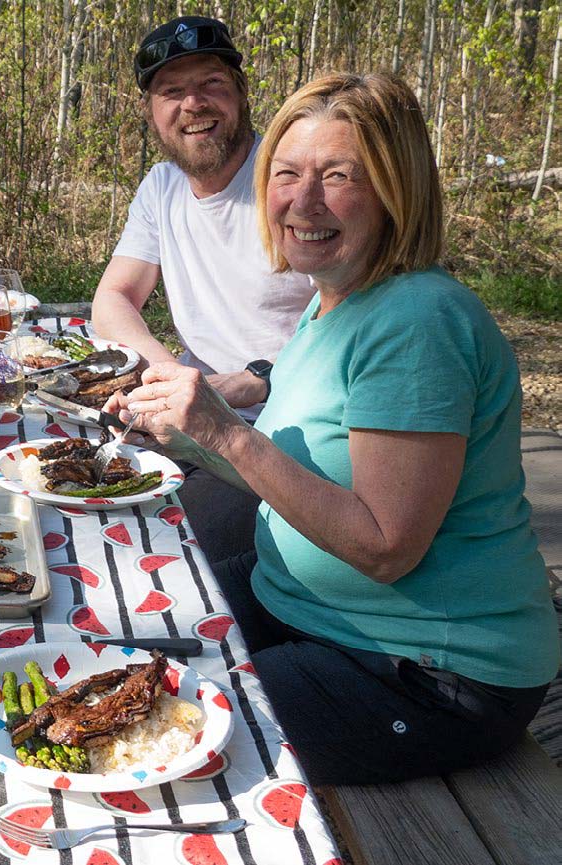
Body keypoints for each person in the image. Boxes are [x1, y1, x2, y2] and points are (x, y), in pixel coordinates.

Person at [111, 73, 560, 784]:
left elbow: (384, 546)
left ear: (394, 192)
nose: (302, 200)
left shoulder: (418, 321)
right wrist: (178, 434)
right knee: (118, 647)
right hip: (304, 604)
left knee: (151, 742)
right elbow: (300, 473)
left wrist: (227, 434)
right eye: (285, 174)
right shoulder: (334, 304)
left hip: (423, 668)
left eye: (337, 176)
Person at [91, 16, 315, 564]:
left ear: (241, 93)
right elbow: (113, 298)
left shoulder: (290, 184)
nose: (194, 103)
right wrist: (175, 384)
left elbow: (361, 322)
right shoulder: (162, 187)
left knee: (164, 547)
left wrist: (261, 379)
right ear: (152, 112)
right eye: (172, 90)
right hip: (198, 425)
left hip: (286, 435)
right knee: (75, 491)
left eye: (211, 84)